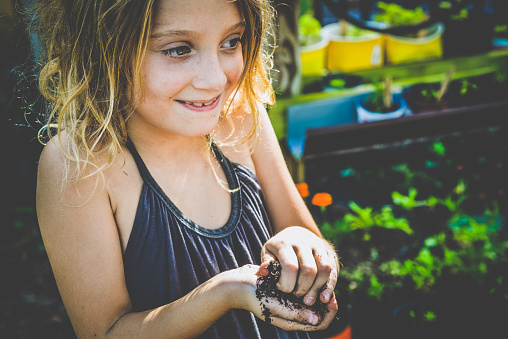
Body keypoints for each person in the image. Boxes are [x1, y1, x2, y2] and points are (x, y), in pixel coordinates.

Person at [34, 0, 339, 338]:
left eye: (231, 41)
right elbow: (106, 332)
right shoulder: (82, 165)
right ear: (104, 47)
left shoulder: (242, 115)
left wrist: (308, 251)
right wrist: (225, 292)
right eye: (178, 49)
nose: (215, 79)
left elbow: (313, 241)